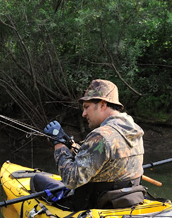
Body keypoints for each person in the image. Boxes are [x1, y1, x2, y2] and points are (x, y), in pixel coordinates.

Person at [41, 79, 145, 210]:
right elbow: (103, 160)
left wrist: (58, 145)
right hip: (128, 200)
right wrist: (69, 144)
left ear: (102, 105)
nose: (83, 114)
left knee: (38, 180)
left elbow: (70, 180)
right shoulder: (134, 129)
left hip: (95, 205)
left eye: (86, 107)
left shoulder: (101, 135)